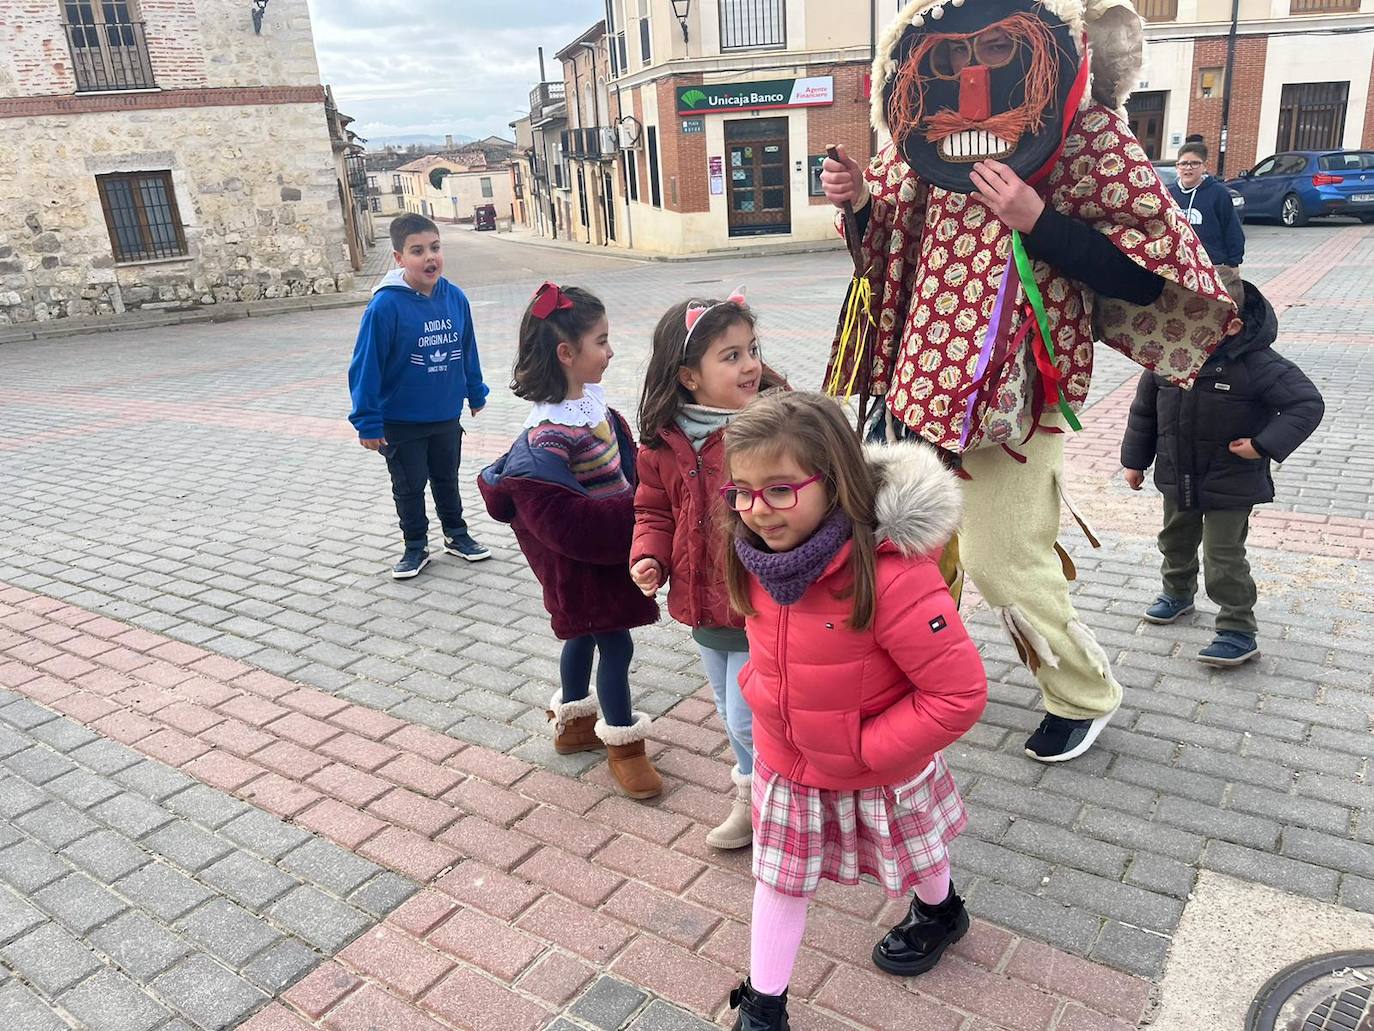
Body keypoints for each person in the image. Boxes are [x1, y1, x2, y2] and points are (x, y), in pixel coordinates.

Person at [818, 0, 1238, 762]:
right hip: (919, 384)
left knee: (1002, 557)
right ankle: (915, 672)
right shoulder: (922, 130)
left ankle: (1083, 691)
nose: (973, 74)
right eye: (955, 56)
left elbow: (1146, 277)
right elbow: (884, 255)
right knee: (903, 550)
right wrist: (858, 205)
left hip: (1019, 398)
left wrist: (1037, 217)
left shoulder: (1084, 130)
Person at [721, 392, 987, 1030]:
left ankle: (942, 911)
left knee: (919, 852)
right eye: (743, 491)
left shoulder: (892, 574)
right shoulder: (756, 556)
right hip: (787, 761)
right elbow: (767, 647)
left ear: (833, 481)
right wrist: (761, 691)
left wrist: (870, 749)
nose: (758, 510)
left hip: (880, 763)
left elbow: (959, 693)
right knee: (779, 880)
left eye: (781, 489)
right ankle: (765, 1009)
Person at [477, 283, 662, 799]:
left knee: (580, 637)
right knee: (614, 644)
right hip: (587, 566)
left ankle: (574, 723)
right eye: (601, 341)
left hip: (609, 552)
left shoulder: (591, 408)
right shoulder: (550, 434)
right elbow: (564, 514)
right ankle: (624, 746)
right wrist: (640, 511)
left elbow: (621, 463)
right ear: (567, 354)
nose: (610, 351)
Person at [630, 290, 787, 850]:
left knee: (750, 718)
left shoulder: (770, 430)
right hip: (701, 605)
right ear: (688, 376)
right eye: (731, 356)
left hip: (759, 603)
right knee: (727, 709)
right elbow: (653, 507)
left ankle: (771, 806)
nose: (750, 365)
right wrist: (649, 554)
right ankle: (755, 795)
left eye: (752, 350)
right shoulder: (664, 440)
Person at [1121, 279, 1324, 666]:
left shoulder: (1259, 365)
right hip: (1177, 471)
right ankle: (1177, 593)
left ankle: (1237, 628)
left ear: (1232, 325)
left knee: (1223, 556)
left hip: (1231, 480)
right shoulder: (1169, 356)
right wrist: (1134, 460)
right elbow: (1143, 411)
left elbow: (1306, 403)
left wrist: (1262, 445)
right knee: (1174, 538)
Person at [347, 213, 491, 579]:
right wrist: (367, 420)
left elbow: (467, 348)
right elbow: (367, 365)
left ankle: (457, 535)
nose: (429, 258)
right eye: (417, 251)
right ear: (398, 259)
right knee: (409, 486)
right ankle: (415, 545)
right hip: (401, 420)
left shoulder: (455, 298)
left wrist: (474, 390)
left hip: (445, 414)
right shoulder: (385, 306)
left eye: (435, 248)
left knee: (447, 478)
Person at [1168, 140, 1245, 283]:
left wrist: (1234, 262)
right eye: (1183, 163)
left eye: (1194, 163)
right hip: (1177, 265)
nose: (1188, 168)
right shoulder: (1168, 194)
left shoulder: (1218, 193)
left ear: (1204, 166)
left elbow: (1232, 228)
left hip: (1212, 265)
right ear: (1177, 166)